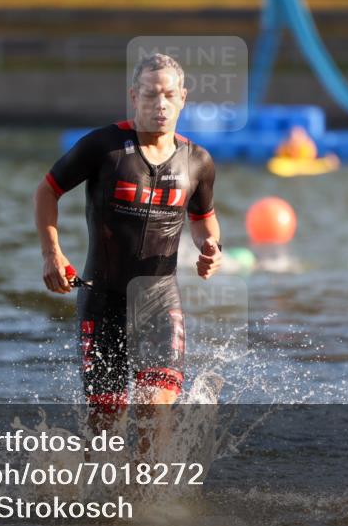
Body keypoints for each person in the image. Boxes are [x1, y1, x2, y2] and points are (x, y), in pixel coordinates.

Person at [33, 53, 222, 429]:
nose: (161, 104)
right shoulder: (104, 147)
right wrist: (51, 254)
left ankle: (150, 491)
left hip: (159, 302)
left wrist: (211, 248)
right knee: (105, 423)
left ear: (183, 97)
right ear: (134, 96)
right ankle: (98, 486)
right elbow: (47, 192)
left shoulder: (198, 161)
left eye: (169, 95)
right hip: (102, 299)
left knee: (156, 412)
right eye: (151, 95)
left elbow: (204, 221)